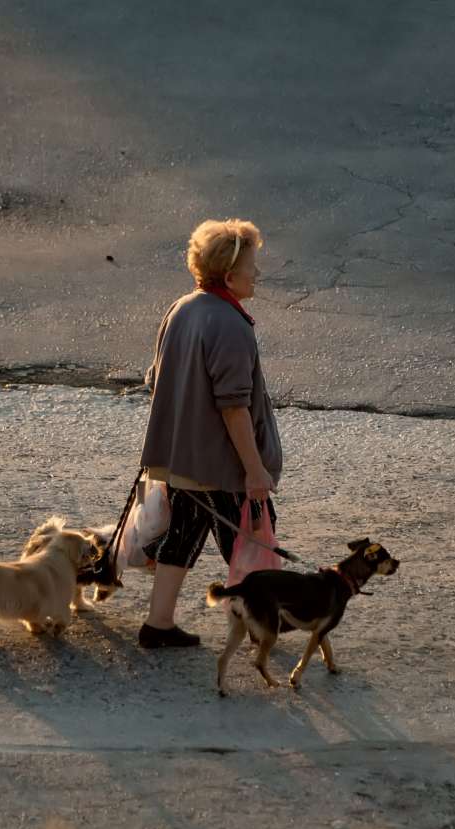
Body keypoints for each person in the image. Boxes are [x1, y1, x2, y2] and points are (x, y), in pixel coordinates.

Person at [136, 218, 283, 648]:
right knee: (253, 533)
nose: (257, 273)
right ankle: (261, 626)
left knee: (183, 534)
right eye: (252, 265)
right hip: (219, 463)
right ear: (229, 273)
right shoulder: (230, 325)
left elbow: (155, 378)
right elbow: (234, 406)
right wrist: (254, 471)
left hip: (182, 460)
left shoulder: (182, 308)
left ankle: (158, 624)